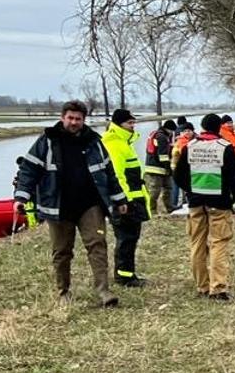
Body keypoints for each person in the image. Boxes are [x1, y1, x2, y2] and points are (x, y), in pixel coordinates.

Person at [13, 100, 132, 307]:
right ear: (62, 118)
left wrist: (119, 199)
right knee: (62, 251)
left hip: (90, 204)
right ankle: (63, 291)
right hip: (58, 206)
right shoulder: (47, 141)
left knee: (97, 245)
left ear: (84, 120)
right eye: (70, 118)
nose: (74, 122)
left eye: (78, 119)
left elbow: (109, 172)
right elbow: (29, 170)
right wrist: (21, 197)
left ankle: (103, 291)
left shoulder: (94, 142)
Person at [174, 113, 235, 300]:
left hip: (196, 203)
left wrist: (191, 191)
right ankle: (218, 288)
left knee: (197, 244)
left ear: (203, 127)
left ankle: (202, 286)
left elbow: (178, 176)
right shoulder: (225, 148)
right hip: (220, 204)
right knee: (218, 244)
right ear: (218, 128)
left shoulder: (190, 147)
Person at [103, 108, 152, 287]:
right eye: (129, 123)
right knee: (126, 238)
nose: (133, 126)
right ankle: (125, 277)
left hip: (132, 200)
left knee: (130, 238)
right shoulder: (115, 144)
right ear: (118, 124)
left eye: (133, 123)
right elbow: (117, 175)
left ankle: (127, 273)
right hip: (126, 202)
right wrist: (123, 200)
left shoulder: (124, 142)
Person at [142, 118, 176, 213]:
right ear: (168, 129)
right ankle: (152, 210)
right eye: (171, 131)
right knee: (154, 191)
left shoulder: (158, 134)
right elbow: (163, 155)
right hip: (156, 168)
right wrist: (168, 168)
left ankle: (169, 208)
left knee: (168, 188)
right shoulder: (161, 137)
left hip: (160, 167)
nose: (172, 133)